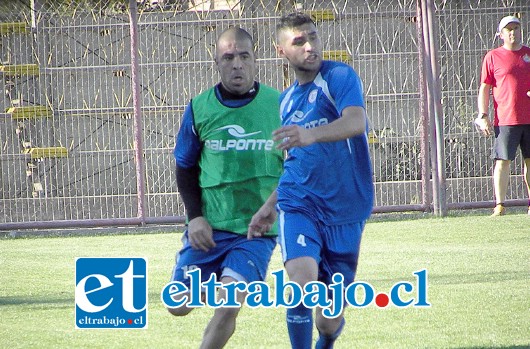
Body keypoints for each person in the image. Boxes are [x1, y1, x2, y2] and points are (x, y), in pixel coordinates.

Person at [248, 12, 374, 349]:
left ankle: (328, 338)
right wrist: (270, 206)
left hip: (346, 211)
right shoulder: (286, 101)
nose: (310, 46)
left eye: (313, 37)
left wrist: (311, 135)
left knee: (328, 318)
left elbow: (356, 121)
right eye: (299, 41)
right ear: (281, 52)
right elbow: (294, 162)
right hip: (300, 206)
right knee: (302, 285)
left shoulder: (339, 77)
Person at [168, 27, 283, 348]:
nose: (237, 65)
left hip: (255, 233)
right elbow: (185, 167)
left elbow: (299, 164)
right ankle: (204, 274)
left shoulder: (280, 104)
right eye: (228, 57)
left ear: (255, 60)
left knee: (228, 301)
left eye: (244, 56)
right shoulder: (200, 108)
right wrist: (195, 218)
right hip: (209, 228)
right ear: (216, 62)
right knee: (177, 305)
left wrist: (275, 206)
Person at [475, 15, 530, 216]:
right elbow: (484, 87)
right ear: (501, 34)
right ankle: (500, 205)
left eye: (516, 28)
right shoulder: (492, 57)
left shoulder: (528, 55)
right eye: (509, 29)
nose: (513, 32)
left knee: (529, 161)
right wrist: (483, 114)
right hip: (506, 119)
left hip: (529, 118)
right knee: (503, 161)